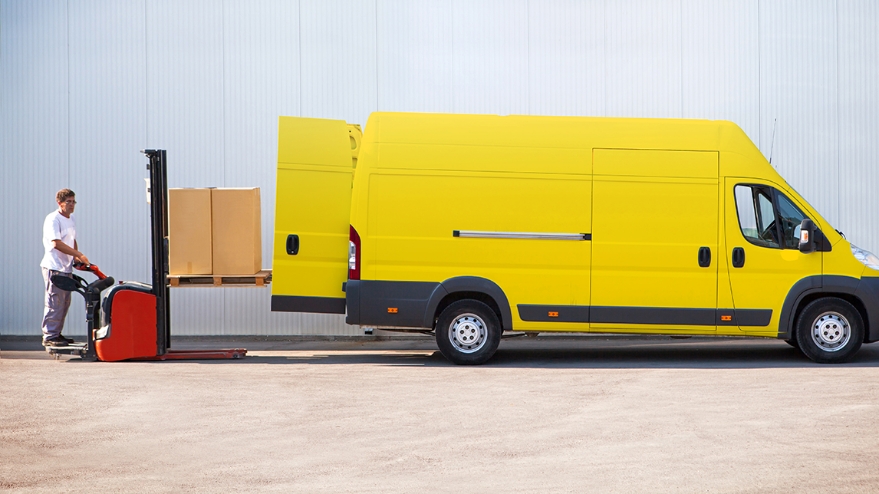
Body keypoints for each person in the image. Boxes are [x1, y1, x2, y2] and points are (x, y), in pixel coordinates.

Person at [40, 189, 89, 347]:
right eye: (68, 202)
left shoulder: (71, 219)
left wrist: (75, 258)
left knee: (64, 303)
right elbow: (57, 243)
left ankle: (56, 333)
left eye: (73, 202)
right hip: (54, 266)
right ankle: (50, 336)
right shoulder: (53, 219)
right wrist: (79, 254)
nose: (71, 205)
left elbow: (72, 240)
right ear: (59, 203)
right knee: (55, 302)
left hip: (66, 267)